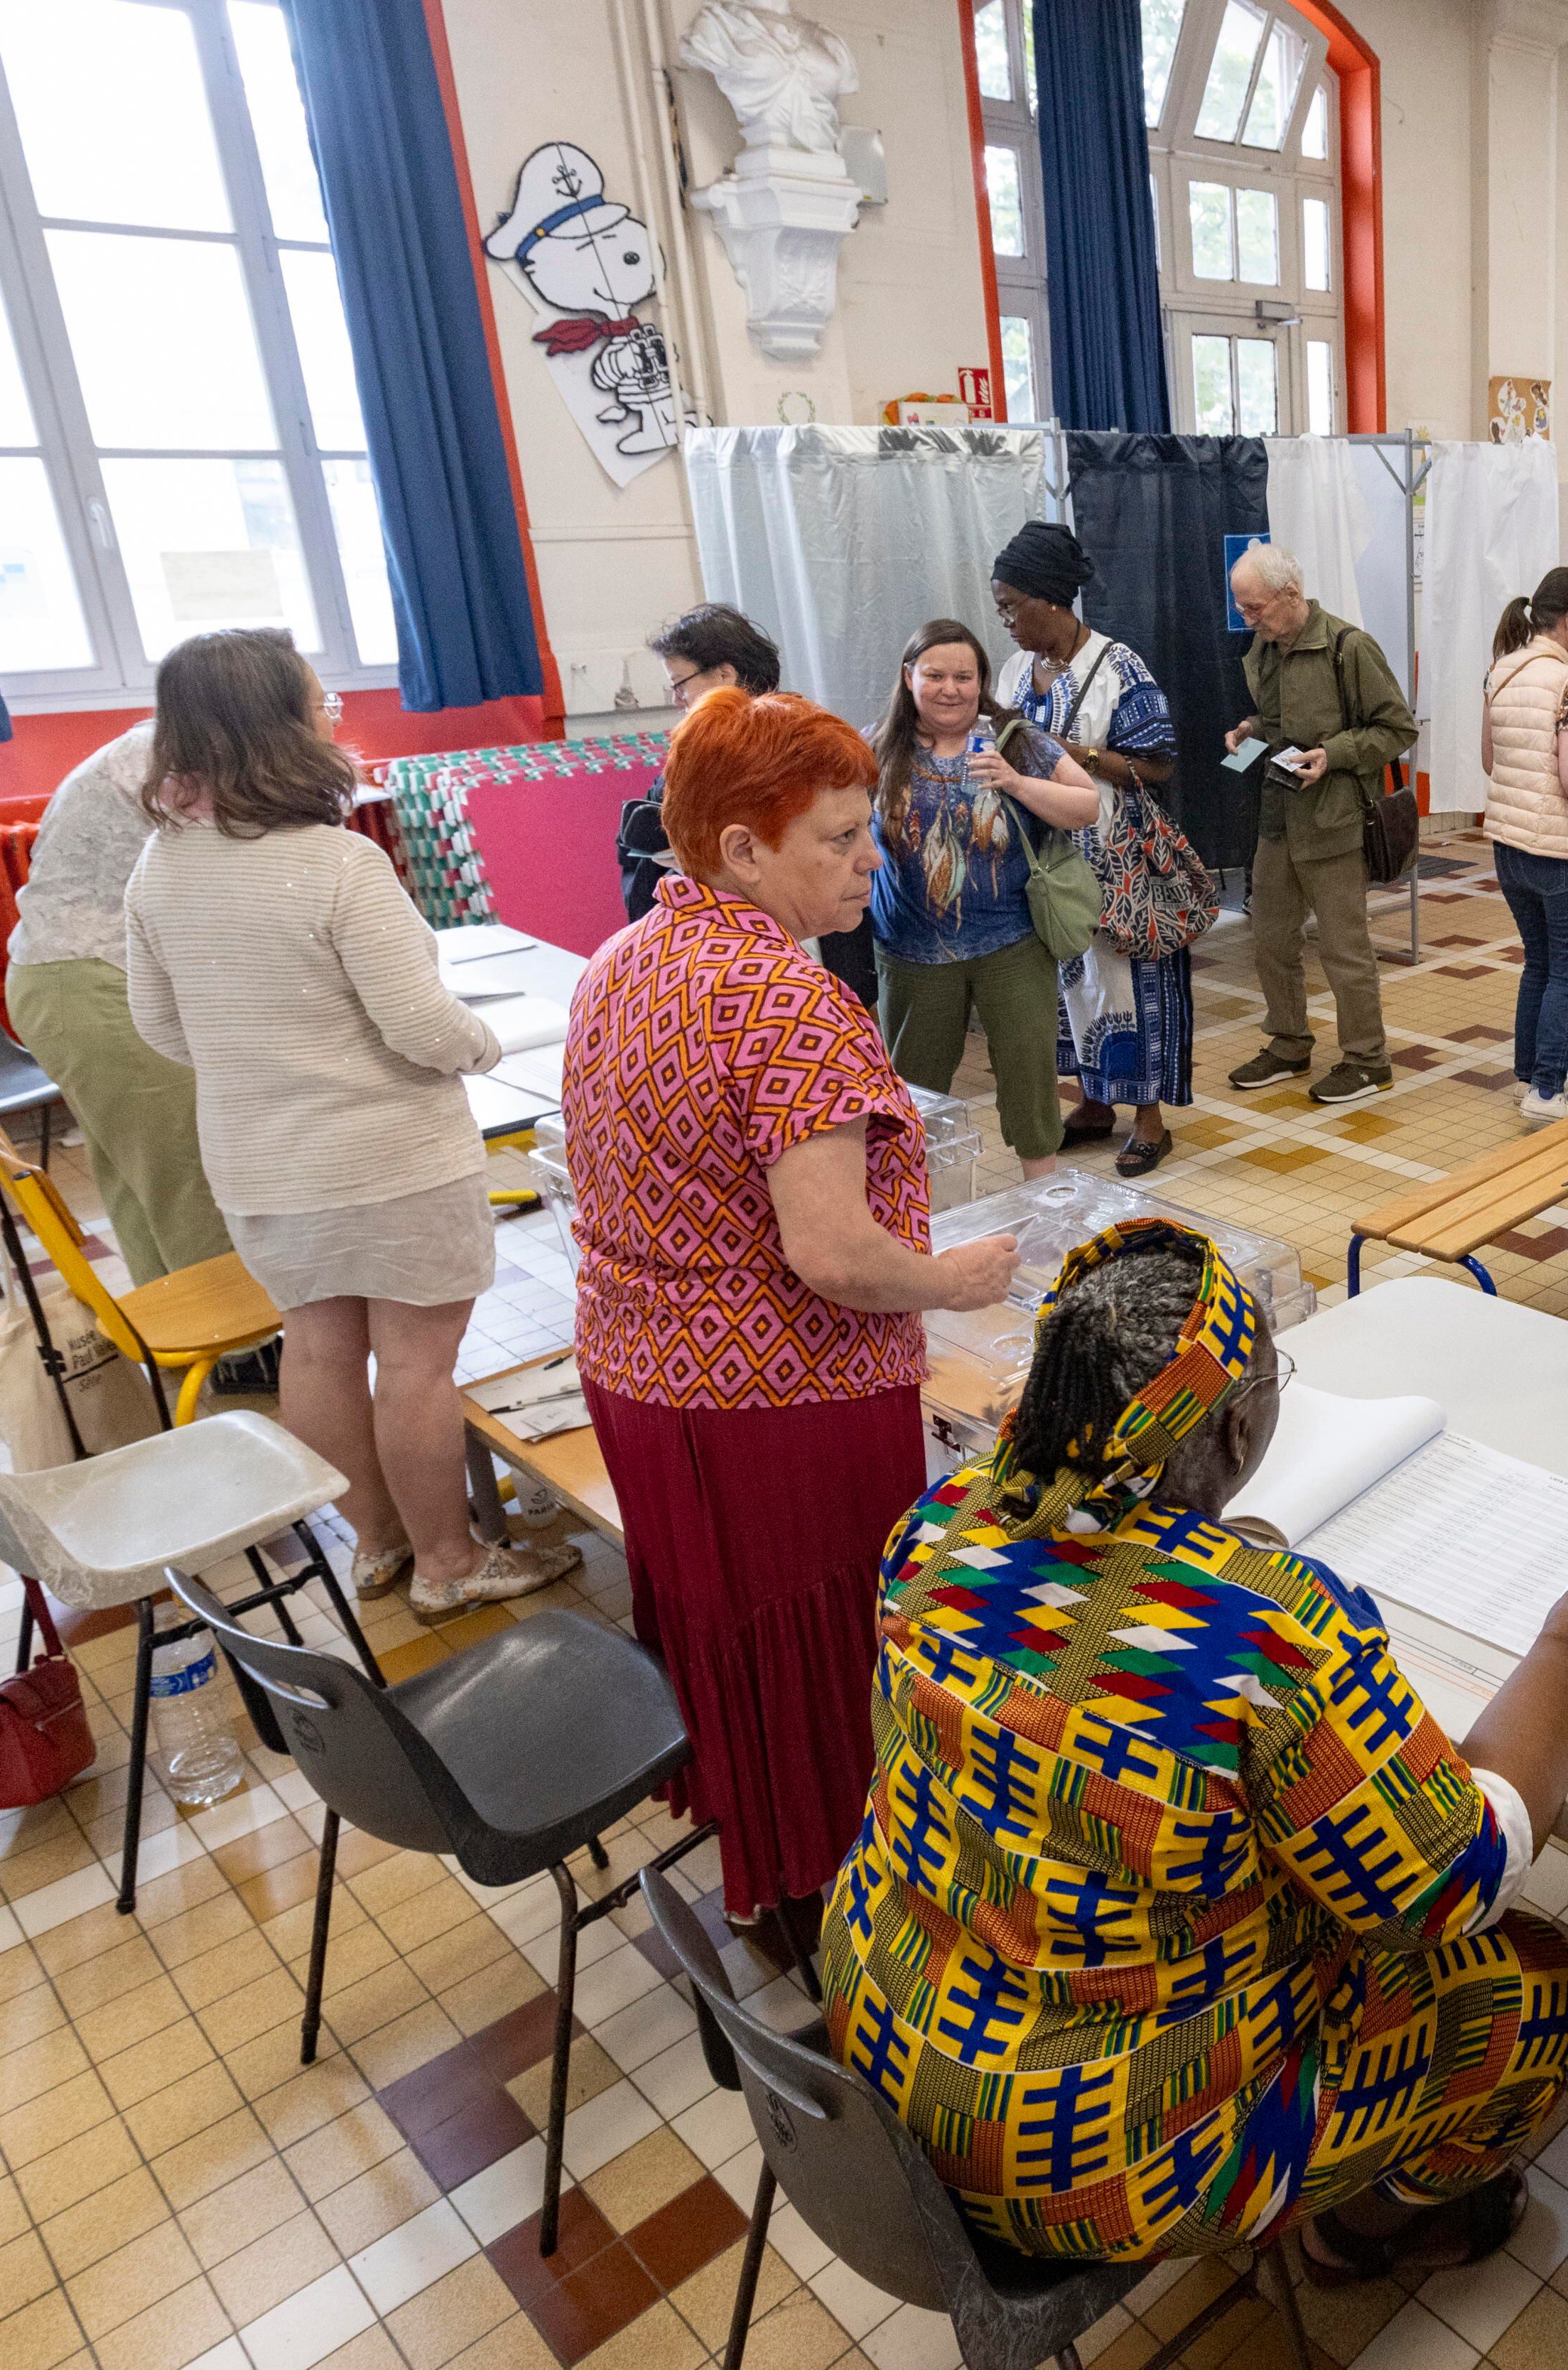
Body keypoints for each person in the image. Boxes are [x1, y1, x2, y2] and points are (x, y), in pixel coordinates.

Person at [826, 1218, 1568, 2278]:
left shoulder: (933, 1528)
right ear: (1241, 1429)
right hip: (1089, 2155)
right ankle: (1373, 2227)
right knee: (1529, 1985)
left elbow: (1081, 1645)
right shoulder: (1268, 1632)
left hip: (888, 2046)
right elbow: (1457, 1881)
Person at [563, 686, 1019, 1941]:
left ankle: (759, 1842)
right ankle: (837, 1892)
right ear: (741, 850)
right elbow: (834, 1257)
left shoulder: (621, 961)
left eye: (864, 828)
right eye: (838, 838)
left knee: (721, 1628)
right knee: (823, 1649)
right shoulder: (788, 1001)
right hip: (781, 1403)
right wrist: (959, 1279)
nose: (872, 859)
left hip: (641, 1379)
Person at [121, 630, 574, 1616]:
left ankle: (378, 1543)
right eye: (318, 700)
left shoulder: (160, 865)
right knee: (416, 1361)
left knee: (317, 1348)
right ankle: (452, 1562)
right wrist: (493, 1044)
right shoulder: (335, 864)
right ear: (278, 727)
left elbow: (161, 1027)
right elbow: (422, 1027)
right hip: (390, 1160)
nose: (332, 714)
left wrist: (267, 1056)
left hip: (261, 1167)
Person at [988, 522, 1194, 1176]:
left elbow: (1159, 764)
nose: (1006, 622)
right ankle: (1095, 1102)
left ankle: (1150, 1121)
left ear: (1050, 599)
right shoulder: (1020, 669)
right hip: (1043, 860)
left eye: (1010, 606)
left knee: (1128, 982)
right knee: (1067, 985)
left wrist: (1079, 755)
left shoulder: (1118, 665)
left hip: (1114, 860)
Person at [865, 620, 1108, 1171]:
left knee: (1030, 1087)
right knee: (912, 1094)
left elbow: (1086, 804)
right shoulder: (878, 745)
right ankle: (918, 1216)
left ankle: (1043, 1205)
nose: (949, 688)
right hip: (911, 954)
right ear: (909, 678)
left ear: (981, 681)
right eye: (934, 676)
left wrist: (1017, 783)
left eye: (963, 676)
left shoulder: (1014, 741)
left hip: (1012, 946)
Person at [3, 723, 230, 1287]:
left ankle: (183, 1349)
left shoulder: (167, 746)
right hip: (95, 982)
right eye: (320, 702)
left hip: (67, 979)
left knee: (143, 1182)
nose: (326, 718)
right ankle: (239, 1358)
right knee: (188, 1179)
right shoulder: (174, 756)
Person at [1223, 544, 1420, 1107]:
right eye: (1242, 608)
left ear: (1291, 593)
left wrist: (1332, 755)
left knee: (1343, 948)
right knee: (1270, 938)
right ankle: (1288, 1041)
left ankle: (1367, 1059)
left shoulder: (1347, 647)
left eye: (1255, 607)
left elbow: (1398, 729)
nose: (1248, 618)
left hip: (1333, 822)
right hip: (1278, 817)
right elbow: (1281, 721)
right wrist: (1249, 730)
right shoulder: (1265, 647)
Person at [1481, 566, 1568, 1124]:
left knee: (1536, 963)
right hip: (1561, 850)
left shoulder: (1500, 671)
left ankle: (1528, 1077)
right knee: (1567, 971)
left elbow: (1491, 761)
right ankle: (1546, 1090)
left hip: (1508, 844)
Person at [627, 606, 796, 940]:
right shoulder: (685, 770)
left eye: (680, 684)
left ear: (724, 675)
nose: (678, 701)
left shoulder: (803, 753)